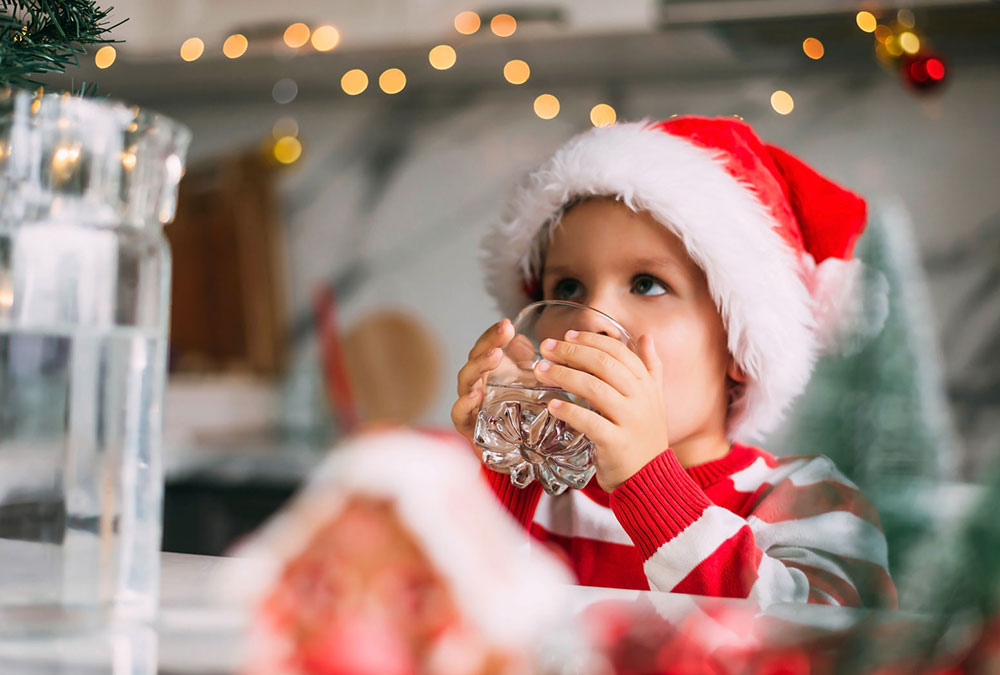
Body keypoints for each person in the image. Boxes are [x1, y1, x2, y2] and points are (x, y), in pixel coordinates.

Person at [451, 116, 897, 608]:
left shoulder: (808, 499)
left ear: (741, 348)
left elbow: (822, 646)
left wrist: (649, 486)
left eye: (647, 284)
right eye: (568, 289)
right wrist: (507, 464)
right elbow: (442, 628)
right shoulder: (543, 500)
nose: (593, 318)